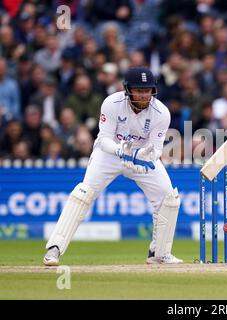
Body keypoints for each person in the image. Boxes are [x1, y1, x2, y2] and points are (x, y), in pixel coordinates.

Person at [43, 67, 183, 266]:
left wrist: (144, 157)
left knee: (169, 198)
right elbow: (105, 139)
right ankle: (54, 248)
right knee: (84, 193)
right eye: (139, 90)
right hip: (109, 154)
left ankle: (158, 253)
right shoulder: (111, 103)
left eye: (147, 90)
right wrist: (122, 151)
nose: (144, 95)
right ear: (128, 90)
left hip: (141, 157)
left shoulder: (161, 112)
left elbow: (157, 150)